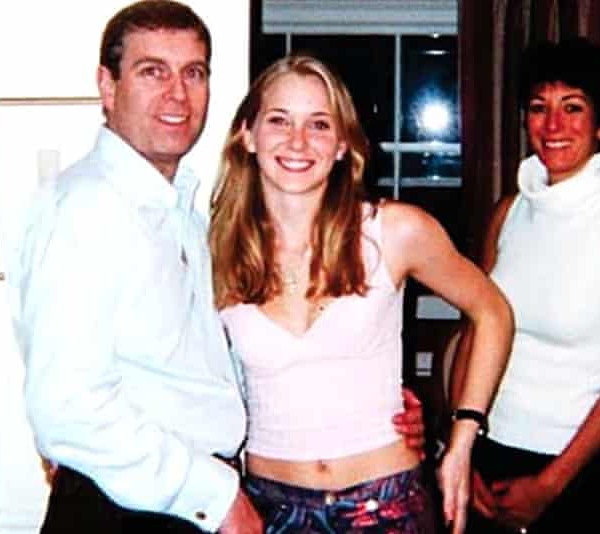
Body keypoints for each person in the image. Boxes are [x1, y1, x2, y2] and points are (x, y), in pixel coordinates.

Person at [8, 2, 423, 533]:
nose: (177, 94)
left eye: (194, 73)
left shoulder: (190, 215)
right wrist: (218, 496)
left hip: (190, 502)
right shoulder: (86, 208)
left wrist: (369, 405)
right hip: (132, 507)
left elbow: (210, 371)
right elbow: (68, 407)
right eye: (152, 71)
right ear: (107, 86)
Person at [209, 54, 514, 533]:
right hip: (268, 510)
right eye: (279, 121)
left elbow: (492, 311)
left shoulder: (393, 231)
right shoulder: (215, 251)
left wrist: (462, 439)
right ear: (247, 136)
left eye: (319, 124)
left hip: (386, 505)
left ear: (341, 145)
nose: (297, 141)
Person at [449, 38, 600, 534]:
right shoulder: (509, 211)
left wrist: (550, 485)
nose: (553, 125)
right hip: (488, 452)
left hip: (577, 468)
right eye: (539, 108)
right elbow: (475, 334)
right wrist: (460, 447)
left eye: (573, 107)